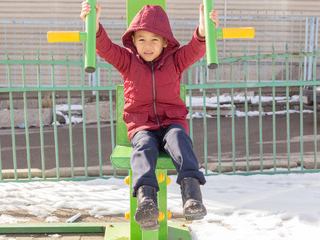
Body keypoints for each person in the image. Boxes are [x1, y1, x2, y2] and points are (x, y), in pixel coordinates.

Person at [81, 2, 219, 231]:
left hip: (171, 121)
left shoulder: (175, 61)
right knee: (143, 147)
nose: (148, 45)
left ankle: (192, 194)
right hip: (142, 125)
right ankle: (146, 201)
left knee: (179, 139)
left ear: (165, 42)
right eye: (142, 39)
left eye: (154, 39)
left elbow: (195, 48)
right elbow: (105, 48)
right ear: (133, 41)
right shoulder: (128, 62)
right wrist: (94, 26)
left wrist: (204, 30)